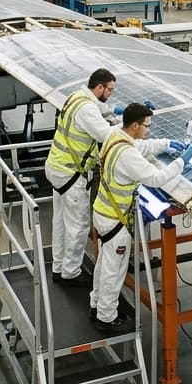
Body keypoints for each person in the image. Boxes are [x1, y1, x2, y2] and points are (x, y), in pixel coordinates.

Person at [90, 102, 192, 332]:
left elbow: (142, 147)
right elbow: (156, 179)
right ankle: (106, 318)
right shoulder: (127, 154)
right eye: (146, 126)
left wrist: (167, 144)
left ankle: (96, 304)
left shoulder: (115, 135)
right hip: (114, 221)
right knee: (113, 270)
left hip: (102, 212)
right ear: (135, 125)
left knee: (103, 263)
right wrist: (182, 162)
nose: (148, 129)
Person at [44, 68, 119, 287]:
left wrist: (114, 110)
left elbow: (96, 110)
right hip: (72, 174)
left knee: (60, 221)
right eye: (110, 90)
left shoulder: (76, 97)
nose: (111, 94)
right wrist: (127, 129)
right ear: (99, 87)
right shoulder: (87, 109)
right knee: (78, 225)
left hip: (56, 168)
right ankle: (71, 273)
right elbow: (106, 136)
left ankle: (59, 267)